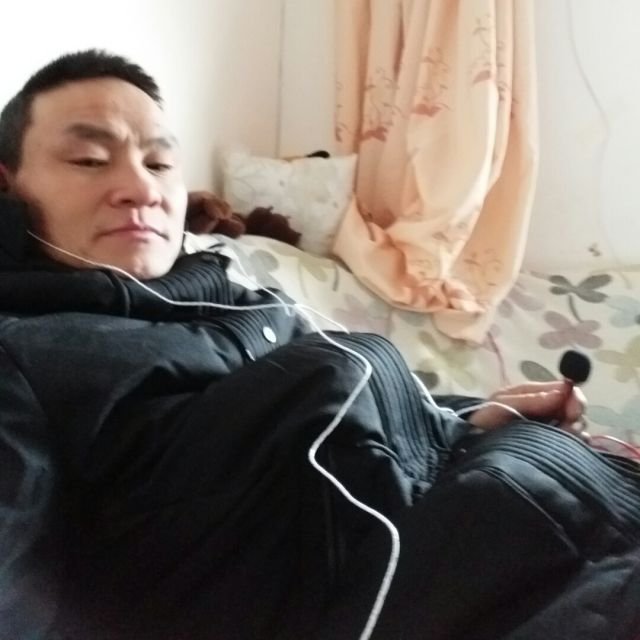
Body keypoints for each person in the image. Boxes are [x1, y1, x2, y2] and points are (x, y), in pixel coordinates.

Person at [0, 50, 638, 640]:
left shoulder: (242, 297)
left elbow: (364, 448)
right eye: (89, 160)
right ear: (9, 186)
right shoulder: (26, 352)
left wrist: (471, 417)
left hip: (568, 526)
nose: (140, 189)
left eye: (160, 163)